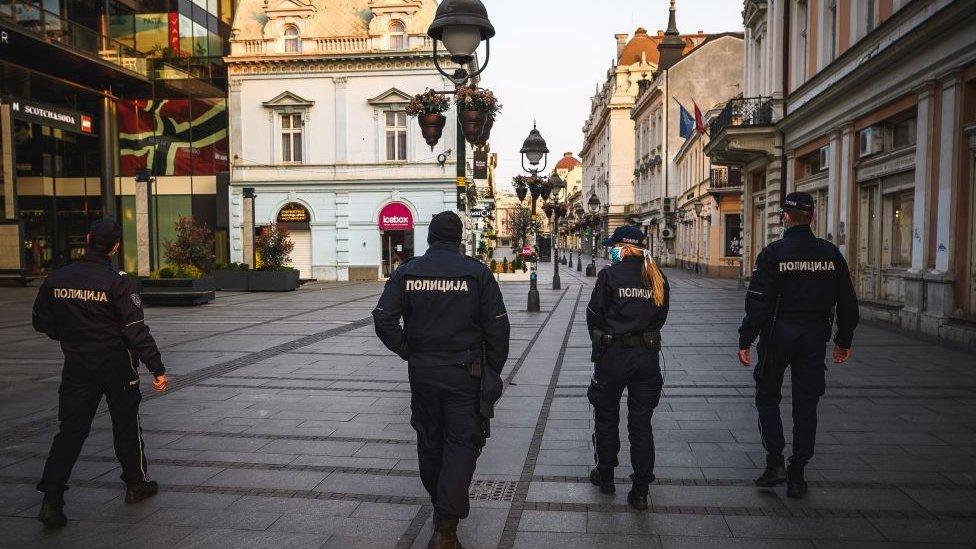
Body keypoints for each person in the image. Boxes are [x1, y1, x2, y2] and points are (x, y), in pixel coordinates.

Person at [372, 211, 510, 549]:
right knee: (462, 443)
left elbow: (383, 318)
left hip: (423, 372)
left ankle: (442, 507)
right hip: (466, 373)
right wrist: (492, 369)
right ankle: (446, 528)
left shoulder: (407, 271)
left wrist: (409, 351)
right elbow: (498, 329)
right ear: (459, 238)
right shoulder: (477, 273)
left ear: (431, 237)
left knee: (430, 440)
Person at [32, 217, 168, 528]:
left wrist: (69, 335)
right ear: (116, 246)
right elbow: (135, 331)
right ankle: (135, 484)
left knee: (70, 431)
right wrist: (156, 368)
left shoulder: (57, 278)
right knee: (125, 427)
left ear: (89, 238)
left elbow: (41, 321)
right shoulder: (118, 281)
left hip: (77, 365)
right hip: (116, 366)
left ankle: (52, 499)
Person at [738, 192, 859, 499]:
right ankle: (797, 474)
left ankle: (775, 461)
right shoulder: (831, 254)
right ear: (812, 217)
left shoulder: (773, 253)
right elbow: (848, 302)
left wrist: (746, 338)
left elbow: (758, 300)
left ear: (786, 217)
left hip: (778, 334)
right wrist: (843, 340)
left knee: (767, 396)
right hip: (814, 335)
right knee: (806, 405)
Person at [586, 225, 669, 511]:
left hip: (613, 357)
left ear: (622, 246)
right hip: (646, 358)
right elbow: (661, 317)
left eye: (613, 245)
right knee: (641, 424)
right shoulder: (656, 275)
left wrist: (604, 340)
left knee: (606, 416)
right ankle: (641, 490)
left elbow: (594, 315)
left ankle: (606, 476)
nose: (611, 250)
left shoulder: (610, 275)